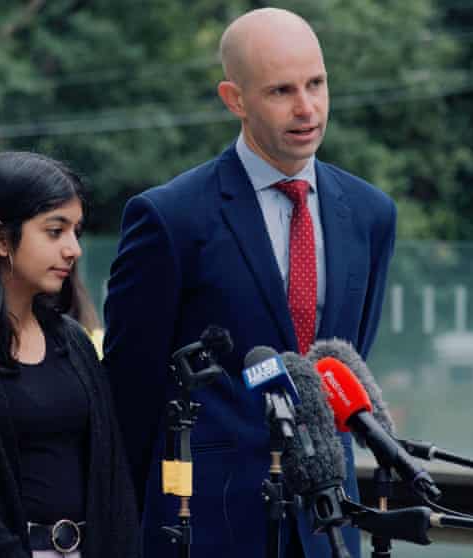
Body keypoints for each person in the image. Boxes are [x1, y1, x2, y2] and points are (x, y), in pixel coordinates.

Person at [103, 8, 397, 558]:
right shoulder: (170, 218)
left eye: (316, 84)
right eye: (281, 91)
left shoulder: (371, 213)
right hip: (206, 524)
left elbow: (343, 363)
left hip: (329, 524)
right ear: (234, 99)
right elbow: (131, 393)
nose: (307, 108)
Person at [0, 152, 141, 558]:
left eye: (76, 232)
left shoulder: (75, 342)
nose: (73, 250)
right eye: (55, 231)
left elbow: (112, 477)